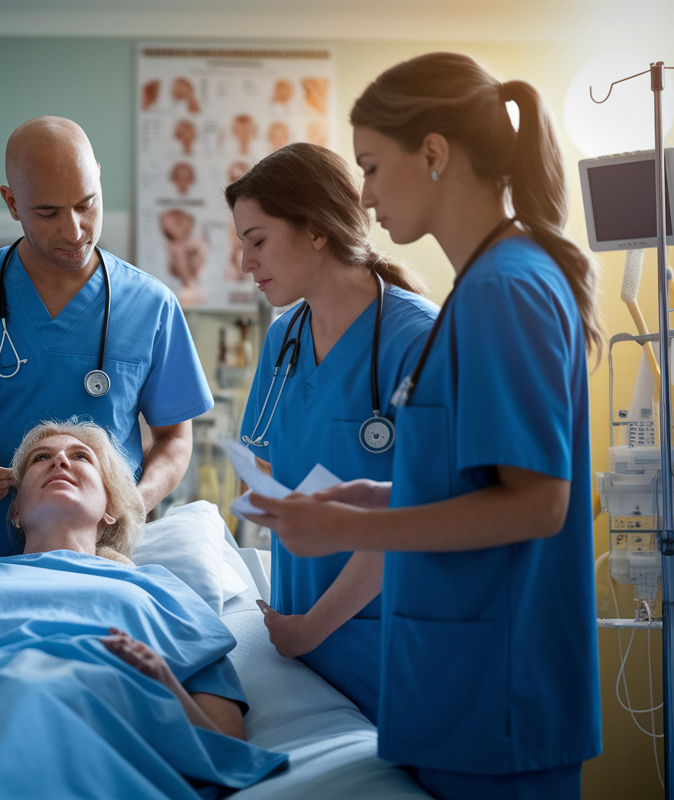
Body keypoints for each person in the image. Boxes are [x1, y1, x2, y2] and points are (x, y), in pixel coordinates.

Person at [244, 53, 602, 799]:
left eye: (373, 167)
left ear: (434, 153)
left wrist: (352, 531)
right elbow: (458, 481)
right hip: (454, 689)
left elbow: (540, 503)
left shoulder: (508, 289)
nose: (365, 198)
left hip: (496, 696)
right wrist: (368, 498)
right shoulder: (486, 288)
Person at [0, 420, 288, 800]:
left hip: (118, 733)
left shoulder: (163, 593)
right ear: (16, 511)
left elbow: (224, 737)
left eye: (80, 457)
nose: (59, 462)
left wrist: (165, 682)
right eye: (40, 458)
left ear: (111, 511)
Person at [0, 116, 212, 565]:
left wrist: (130, 505)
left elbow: (175, 439)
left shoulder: (151, 304)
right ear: (12, 202)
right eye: (48, 213)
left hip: (96, 553)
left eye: (87, 205)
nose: (74, 230)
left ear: (99, 180)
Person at [225, 142, 437, 725]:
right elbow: (266, 465)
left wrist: (309, 629)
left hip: (384, 642)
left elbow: (422, 515)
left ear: (317, 230)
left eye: (258, 239)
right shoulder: (285, 336)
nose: (246, 261)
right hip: (299, 646)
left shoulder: (417, 341)